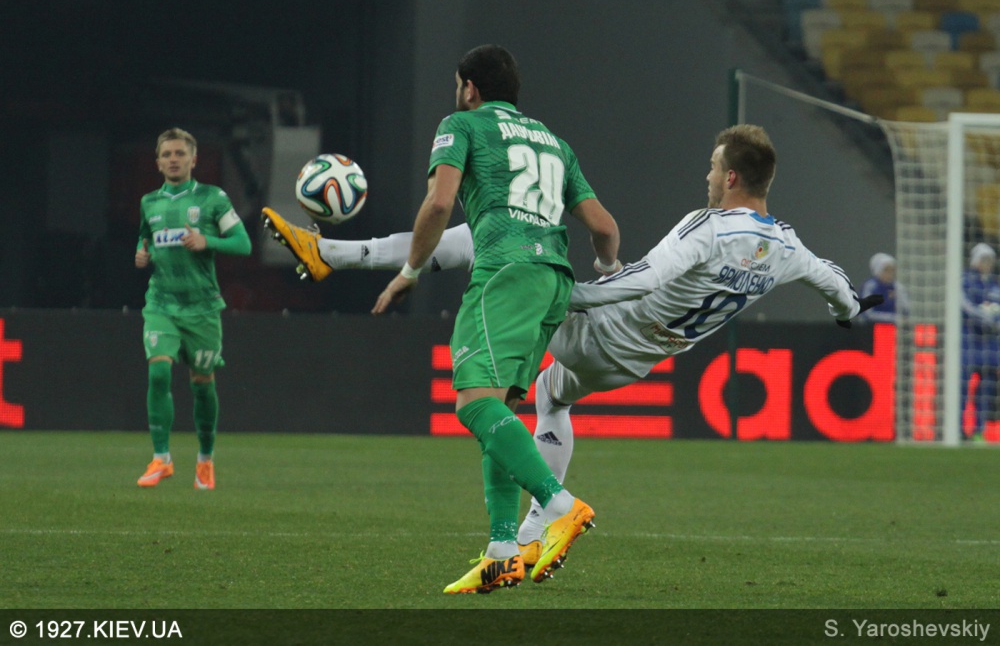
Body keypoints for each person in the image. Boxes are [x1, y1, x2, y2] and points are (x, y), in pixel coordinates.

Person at [262, 123, 882, 581]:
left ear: (732, 178)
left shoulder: (711, 226)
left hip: (600, 328)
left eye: (713, 167)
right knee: (548, 394)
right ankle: (526, 536)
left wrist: (560, 287)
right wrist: (850, 311)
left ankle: (333, 254)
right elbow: (832, 279)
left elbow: (643, 279)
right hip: (638, 359)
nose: (708, 176)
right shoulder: (787, 246)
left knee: (483, 239)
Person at [265, 45, 620, 594]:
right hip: (553, 278)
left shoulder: (462, 125)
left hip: (505, 274)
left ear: (470, 88)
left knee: (473, 404)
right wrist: (608, 269)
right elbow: (603, 226)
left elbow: (438, 204)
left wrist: (409, 272)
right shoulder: (554, 142)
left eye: (459, 85)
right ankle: (502, 551)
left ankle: (560, 505)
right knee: (499, 412)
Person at [135, 128, 252, 490]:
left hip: (201, 309)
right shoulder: (149, 202)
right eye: (167, 154)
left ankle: (205, 459)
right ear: (158, 162)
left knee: (202, 384)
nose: (173, 159)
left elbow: (243, 243)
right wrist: (141, 253)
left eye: (180, 153)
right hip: (161, 303)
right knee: (158, 373)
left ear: (193, 159)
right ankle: (162, 458)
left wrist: (207, 241)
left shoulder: (213, 198)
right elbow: (145, 237)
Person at [961, 243, 1000, 440]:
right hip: (968, 343)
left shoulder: (995, 285)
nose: (987, 264)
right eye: (984, 259)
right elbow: (964, 306)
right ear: (975, 261)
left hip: (990, 347)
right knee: (962, 387)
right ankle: (958, 430)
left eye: (990, 260)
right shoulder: (964, 281)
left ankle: (979, 430)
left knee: (987, 389)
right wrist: (986, 317)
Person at [857, 252, 908, 323]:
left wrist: (899, 297)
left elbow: (906, 309)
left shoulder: (897, 287)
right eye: (886, 270)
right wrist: (892, 318)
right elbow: (868, 314)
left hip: (893, 326)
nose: (890, 274)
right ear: (878, 270)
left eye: (892, 270)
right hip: (871, 326)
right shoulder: (870, 286)